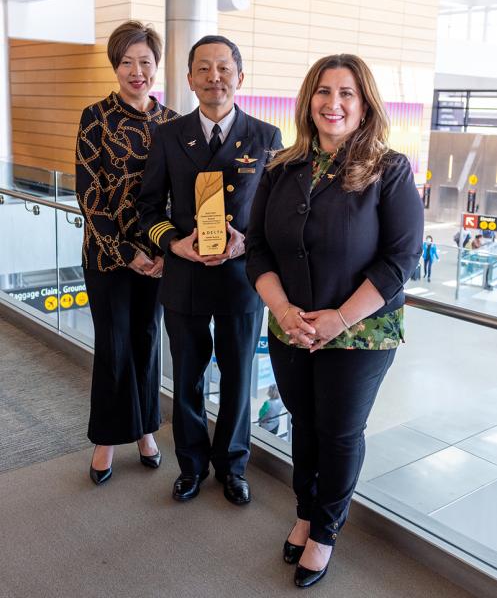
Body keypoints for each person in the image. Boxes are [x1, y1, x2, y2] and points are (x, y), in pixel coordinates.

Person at [245, 54, 423, 588]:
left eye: (346, 93)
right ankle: (305, 510)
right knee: (304, 421)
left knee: (340, 432)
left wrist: (339, 320)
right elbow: (257, 252)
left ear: (364, 103)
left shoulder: (389, 169)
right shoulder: (280, 167)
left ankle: (324, 530)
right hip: (291, 326)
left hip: (361, 334)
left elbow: (399, 260)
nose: (334, 103)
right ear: (308, 101)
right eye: (323, 92)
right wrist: (282, 310)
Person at [137, 35, 282, 505]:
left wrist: (248, 241)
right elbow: (147, 207)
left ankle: (233, 466)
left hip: (243, 278)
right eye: (204, 68)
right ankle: (192, 466)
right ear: (190, 79)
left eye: (223, 68)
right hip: (186, 274)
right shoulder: (169, 135)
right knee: (188, 379)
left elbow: (275, 212)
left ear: (240, 77)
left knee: (240, 376)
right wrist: (174, 243)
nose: (214, 77)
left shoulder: (267, 137)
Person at [75, 21, 178, 485]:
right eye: (127, 62)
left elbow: (182, 196)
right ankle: (106, 438)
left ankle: (144, 432)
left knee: (146, 342)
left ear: (156, 66)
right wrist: (124, 251)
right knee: (113, 346)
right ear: (115, 66)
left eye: (145, 62)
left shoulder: (174, 123)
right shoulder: (95, 117)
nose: (137, 71)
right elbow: (88, 193)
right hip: (106, 255)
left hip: (158, 255)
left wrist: (163, 249)